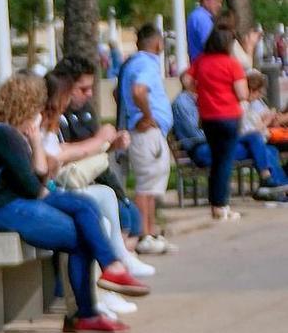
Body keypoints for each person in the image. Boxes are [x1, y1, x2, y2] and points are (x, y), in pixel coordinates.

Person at [0, 76, 149, 333]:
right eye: (37, 107)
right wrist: (36, 148)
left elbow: (38, 177)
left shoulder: (12, 134)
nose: (41, 112)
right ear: (26, 106)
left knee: (83, 214)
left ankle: (95, 297)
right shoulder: (2, 134)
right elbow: (34, 185)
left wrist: (35, 142)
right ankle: (103, 282)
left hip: (15, 204)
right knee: (81, 223)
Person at [40, 72, 152, 317]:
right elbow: (47, 163)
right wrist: (100, 144)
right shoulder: (36, 125)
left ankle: (116, 267)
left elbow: (59, 154)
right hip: (45, 192)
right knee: (89, 217)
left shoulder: (51, 124)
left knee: (105, 196)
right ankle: (96, 293)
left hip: (52, 188)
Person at [174, 69, 288, 197]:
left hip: (217, 146)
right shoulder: (183, 102)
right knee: (258, 142)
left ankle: (274, 187)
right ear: (191, 82)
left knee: (268, 147)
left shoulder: (200, 99)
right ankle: (276, 188)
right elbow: (196, 133)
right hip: (203, 150)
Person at [118, 23, 174, 253]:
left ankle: (150, 231)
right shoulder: (145, 64)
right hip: (146, 131)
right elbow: (139, 91)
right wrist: (147, 115)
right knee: (146, 184)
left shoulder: (133, 63)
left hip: (147, 130)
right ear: (157, 43)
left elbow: (118, 93)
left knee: (151, 183)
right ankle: (144, 234)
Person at [192, 23, 250, 221]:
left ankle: (214, 203)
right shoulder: (231, 63)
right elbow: (243, 93)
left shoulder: (201, 61)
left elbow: (187, 79)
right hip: (228, 115)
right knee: (225, 161)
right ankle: (221, 204)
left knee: (216, 159)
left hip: (208, 116)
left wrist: (200, 92)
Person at [186, 0, 223, 66]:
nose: (219, 5)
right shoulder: (202, 18)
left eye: (220, 2)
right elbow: (211, 44)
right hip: (206, 66)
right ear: (206, 1)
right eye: (216, 1)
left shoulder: (196, 15)